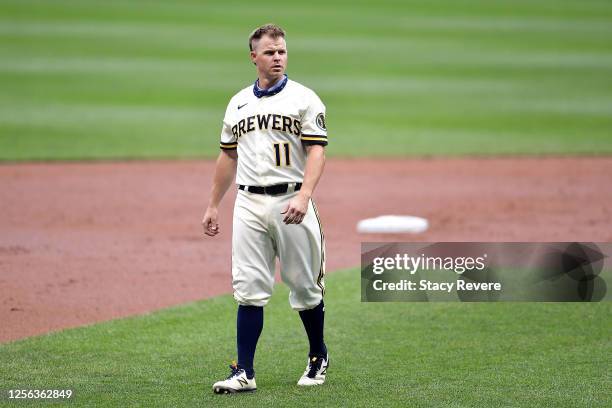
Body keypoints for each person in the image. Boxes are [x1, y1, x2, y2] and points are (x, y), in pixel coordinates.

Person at [202, 24, 329, 394]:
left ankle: (318, 354)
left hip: (291, 201)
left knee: (305, 287)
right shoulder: (238, 102)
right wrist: (213, 204)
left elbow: (318, 151)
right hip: (248, 203)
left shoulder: (304, 99)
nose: (278, 57)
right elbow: (228, 155)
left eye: (282, 51)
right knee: (248, 288)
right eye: (270, 52)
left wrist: (304, 195)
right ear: (253, 57)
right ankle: (244, 371)